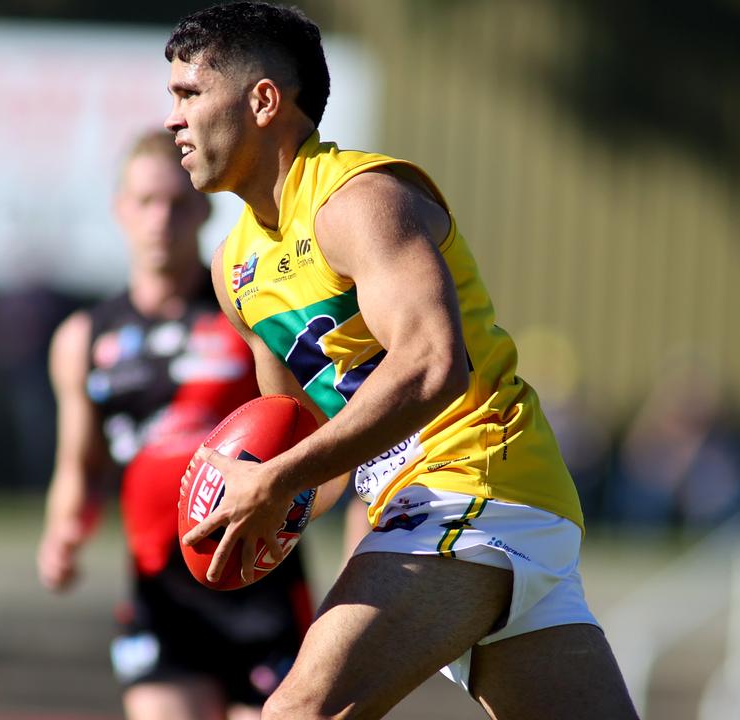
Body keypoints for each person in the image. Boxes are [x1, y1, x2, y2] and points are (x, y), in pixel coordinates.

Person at [162, 3, 638, 718]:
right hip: (455, 512)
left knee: (296, 713)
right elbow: (304, 442)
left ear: (262, 100)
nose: (173, 119)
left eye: (189, 94)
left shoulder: (359, 201)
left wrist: (280, 479)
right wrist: (249, 510)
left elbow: (430, 365)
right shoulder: (237, 270)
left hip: (472, 488)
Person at [36, 130, 314, 720]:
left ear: (204, 209)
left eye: (177, 203)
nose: (161, 219)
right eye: (145, 202)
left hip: (258, 580)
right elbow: (80, 467)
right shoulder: (84, 338)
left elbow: (306, 431)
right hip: (161, 591)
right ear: (121, 212)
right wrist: (65, 530)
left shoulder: (250, 317)